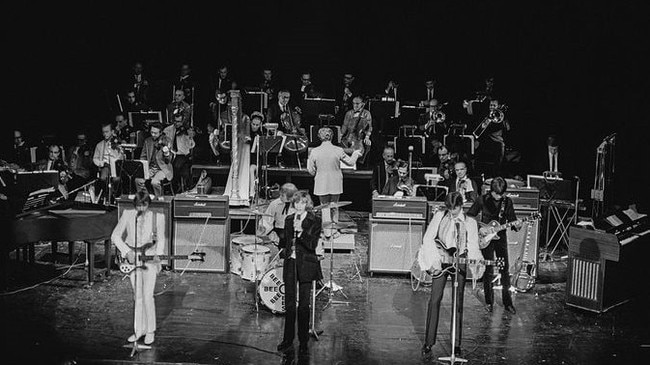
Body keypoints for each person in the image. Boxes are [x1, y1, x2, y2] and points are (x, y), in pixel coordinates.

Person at [418, 191, 483, 357]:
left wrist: (477, 262)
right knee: (434, 300)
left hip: (459, 260)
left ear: (461, 206)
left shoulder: (469, 222)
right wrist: (434, 260)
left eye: (455, 208)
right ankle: (428, 342)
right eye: (450, 208)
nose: (452, 211)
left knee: (458, 302)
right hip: (440, 260)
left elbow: (473, 245)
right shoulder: (440, 215)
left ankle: (456, 344)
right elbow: (428, 238)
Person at [111, 190, 166, 346]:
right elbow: (115, 236)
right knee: (138, 295)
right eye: (138, 205)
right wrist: (126, 251)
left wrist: (159, 256)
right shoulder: (128, 215)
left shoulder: (158, 217)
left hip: (149, 260)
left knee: (148, 295)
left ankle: (150, 331)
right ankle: (138, 330)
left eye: (144, 205)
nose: (141, 208)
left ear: (148, 204)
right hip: (133, 259)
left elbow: (161, 239)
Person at [276, 191, 322, 362]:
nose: (299, 206)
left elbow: (312, 244)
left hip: (306, 264)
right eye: (296, 203)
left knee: (303, 305)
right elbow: (285, 242)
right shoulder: (289, 219)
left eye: (302, 203)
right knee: (289, 304)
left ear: (306, 204)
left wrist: (301, 232)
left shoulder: (314, 220)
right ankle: (287, 339)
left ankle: (303, 341)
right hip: (291, 263)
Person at [467, 176, 520, 314]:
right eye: (497, 194)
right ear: (491, 191)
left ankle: (507, 303)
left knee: (505, 270)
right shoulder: (482, 199)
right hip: (486, 239)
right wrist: (479, 227)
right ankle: (489, 302)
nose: (499, 197)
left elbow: (512, 220)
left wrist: (517, 225)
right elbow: (470, 216)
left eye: (501, 194)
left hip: (500, 238)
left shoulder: (507, 202)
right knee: (488, 270)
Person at [307, 127, 361, 224]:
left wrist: (317, 173)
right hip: (335, 181)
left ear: (319, 137)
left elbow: (310, 170)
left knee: (324, 206)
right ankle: (334, 228)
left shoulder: (314, 151)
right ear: (332, 136)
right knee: (335, 204)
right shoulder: (338, 150)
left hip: (321, 181)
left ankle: (326, 229)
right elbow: (351, 162)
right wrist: (356, 153)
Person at [136, 123, 173, 198]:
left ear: (161, 132)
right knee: (138, 180)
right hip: (150, 167)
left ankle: (158, 200)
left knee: (155, 182)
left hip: (162, 168)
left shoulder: (167, 140)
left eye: (155, 133)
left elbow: (168, 161)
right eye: (151, 132)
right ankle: (145, 198)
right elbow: (143, 156)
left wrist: (166, 153)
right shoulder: (147, 141)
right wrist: (143, 168)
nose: (153, 134)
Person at [163, 113, 195, 193]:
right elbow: (164, 142)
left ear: (182, 121)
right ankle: (180, 185)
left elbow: (191, 146)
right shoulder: (167, 130)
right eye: (175, 121)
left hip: (182, 154)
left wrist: (189, 137)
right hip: (170, 153)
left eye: (179, 122)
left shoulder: (186, 131)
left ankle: (176, 186)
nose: (177, 124)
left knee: (177, 165)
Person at [93, 123, 124, 200]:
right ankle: (106, 194)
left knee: (116, 179)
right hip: (105, 165)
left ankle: (114, 195)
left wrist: (118, 157)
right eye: (103, 132)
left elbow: (123, 156)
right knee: (103, 178)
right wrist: (100, 163)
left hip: (116, 165)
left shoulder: (117, 142)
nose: (105, 134)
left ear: (112, 131)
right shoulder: (99, 145)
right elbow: (95, 158)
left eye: (107, 132)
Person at [340, 96, 372, 165]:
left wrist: (367, 137)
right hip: (348, 137)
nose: (355, 105)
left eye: (357, 103)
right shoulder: (349, 113)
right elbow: (345, 125)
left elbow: (369, 127)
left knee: (365, 146)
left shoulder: (366, 113)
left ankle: (360, 164)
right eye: (353, 103)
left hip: (359, 138)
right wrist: (341, 134)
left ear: (362, 104)